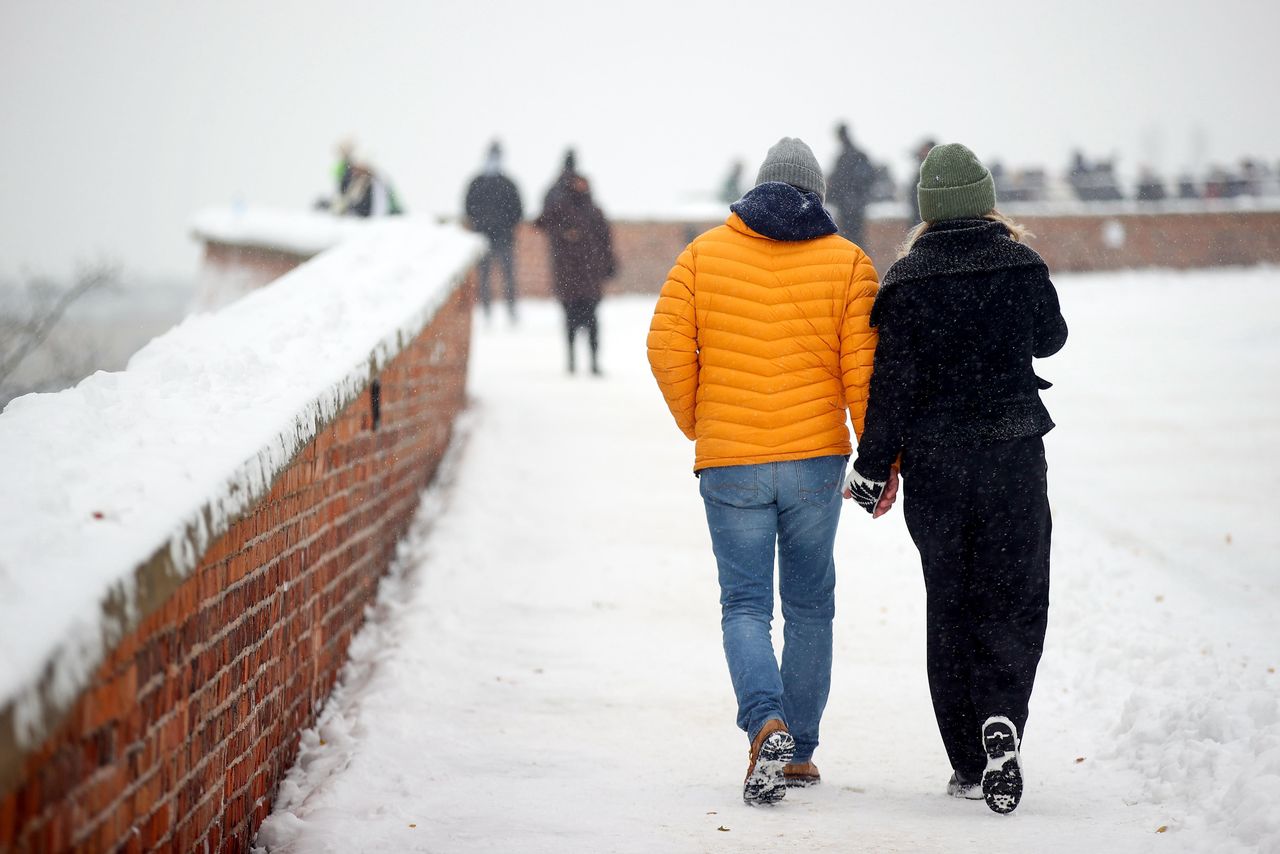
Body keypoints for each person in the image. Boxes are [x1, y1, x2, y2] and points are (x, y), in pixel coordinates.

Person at [647, 138, 880, 804]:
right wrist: (875, 455)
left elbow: (663, 344)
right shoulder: (848, 263)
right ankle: (798, 749)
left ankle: (764, 722)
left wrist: (702, 417)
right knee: (810, 607)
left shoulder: (702, 256)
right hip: (814, 463)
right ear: (818, 194)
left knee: (745, 607)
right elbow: (864, 370)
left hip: (733, 466)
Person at [844, 143, 1068, 815]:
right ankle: (1003, 716)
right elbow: (1051, 338)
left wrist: (872, 466)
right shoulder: (1019, 263)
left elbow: (892, 386)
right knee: (1017, 593)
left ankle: (970, 763)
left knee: (951, 602)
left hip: (939, 464)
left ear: (927, 211)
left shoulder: (906, 280)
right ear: (984, 200)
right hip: (1012, 455)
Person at [536, 150, 615, 374]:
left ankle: (591, 363)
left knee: (590, 321)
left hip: (586, 276)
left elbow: (604, 240)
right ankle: (573, 363)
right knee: (573, 320)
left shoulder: (591, 210)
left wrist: (608, 265)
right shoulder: (561, 204)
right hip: (570, 274)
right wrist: (564, 232)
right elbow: (543, 222)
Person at [464, 141, 524, 320]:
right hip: (484, 237)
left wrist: (505, 225)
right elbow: (469, 208)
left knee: (508, 276)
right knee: (484, 277)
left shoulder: (507, 184)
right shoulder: (478, 183)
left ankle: (511, 309)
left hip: (503, 237)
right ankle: (486, 310)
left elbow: (517, 210)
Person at [826, 123, 876, 245]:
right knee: (855, 239)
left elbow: (839, 180)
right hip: (852, 204)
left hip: (850, 205)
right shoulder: (854, 154)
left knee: (851, 239)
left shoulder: (848, 156)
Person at [906, 137, 937, 223]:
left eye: (925, 150)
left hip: (926, 218)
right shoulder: (922, 169)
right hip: (919, 215)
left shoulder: (932, 171)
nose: (922, 153)